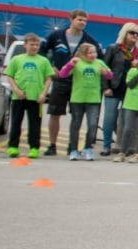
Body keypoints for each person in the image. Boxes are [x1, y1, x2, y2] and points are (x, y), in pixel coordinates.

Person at [39, 9, 102, 156]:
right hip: (60, 81)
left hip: (79, 84)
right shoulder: (56, 36)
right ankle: (52, 145)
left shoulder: (89, 40)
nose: (82, 23)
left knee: (76, 117)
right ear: (71, 19)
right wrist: (50, 66)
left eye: (85, 21)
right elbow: (42, 51)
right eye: (79, 20)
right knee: (55, 113)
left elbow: (100, 58)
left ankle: (72, 146)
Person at [59, 43, 113, 161]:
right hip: (78, 98)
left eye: (94, 52)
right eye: (90, 53)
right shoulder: (76, 61)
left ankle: (87, 148)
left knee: (92, 124)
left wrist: (106, 73)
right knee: (76, 124)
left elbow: (110, 75)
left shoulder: (99, 62)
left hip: (93, 99)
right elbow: (62, 74)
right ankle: (74, 149)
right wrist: (69, 65)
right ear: (83, 54)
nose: (93, 55)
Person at [4, 33, 54, 159]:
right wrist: (16, 90)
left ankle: (34, 148)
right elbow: (9, 76)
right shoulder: (17, 59)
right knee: (16, 122)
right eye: (32, 44)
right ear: (25, 45)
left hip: (36, 98)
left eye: (37, 45)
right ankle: (13, 147)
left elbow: (48, 79)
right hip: (19, 97)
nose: (34, 47)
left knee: (34, 124)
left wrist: (44, 94)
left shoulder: (43, 61)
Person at [100, 22, 138, 155]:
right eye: (132, 32)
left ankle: (123, 146)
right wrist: (105, 87)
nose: (134, 36)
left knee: (126, 120)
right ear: (125, 33)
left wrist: (137, 66)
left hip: (130, 90)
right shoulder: (113, 48)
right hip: (113, 88)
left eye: (137, 34)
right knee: (109, 118)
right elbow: (104, 68)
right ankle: (106, 145)